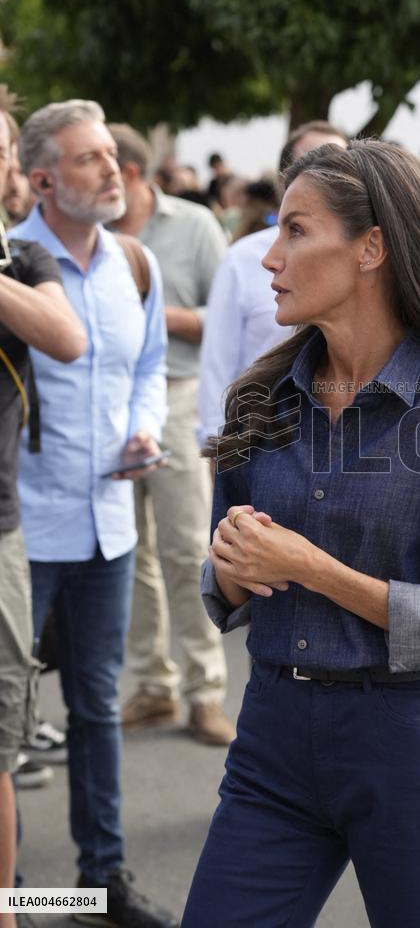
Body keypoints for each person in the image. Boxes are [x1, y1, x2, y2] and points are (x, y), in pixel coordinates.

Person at [183, 140, 420, 927]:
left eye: (297, 232)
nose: (270, 257)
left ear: (372, 246)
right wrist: (238, 566)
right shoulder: (258, 397)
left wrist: (314, 569)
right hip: (272, 733)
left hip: (405, 742)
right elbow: (224, 581)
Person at [10, 100, 178, 928]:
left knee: (95, 711)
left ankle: (97, 885)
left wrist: (144, 427)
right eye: (88, 159)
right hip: (21, 530)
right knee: (7, 725)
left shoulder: (134, 264)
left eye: (111, 153)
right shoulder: (11, 265)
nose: (113, 169)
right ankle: (14, 896)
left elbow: (149, 367)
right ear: (42, 179)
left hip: (110, 523)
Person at [109, 122, 234, 746]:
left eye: (107, 165)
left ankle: (204, 691)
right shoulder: (92, 232)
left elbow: (233, 308)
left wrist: (161, 314)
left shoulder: (194, 224)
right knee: (128, 553)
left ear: (130, 172)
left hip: (179, 395)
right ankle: (153, 688)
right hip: (109, 404)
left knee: (187, 549)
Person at [0, 90, 86, 928]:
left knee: (17, 734)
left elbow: (67, 339)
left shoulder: (24, 264)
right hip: (38, 521)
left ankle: (26, 905)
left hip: (22, 531)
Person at [197, 120, 348, 445]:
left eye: (339, 164)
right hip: (260, 436)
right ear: (287, 177)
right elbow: (217, 359)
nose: (273, 262)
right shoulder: (242, 259)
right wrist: (215, 441)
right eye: (313, 161)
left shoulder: (362, 266)